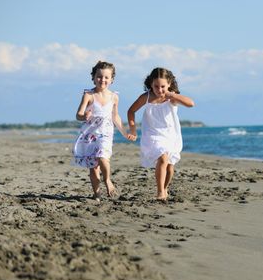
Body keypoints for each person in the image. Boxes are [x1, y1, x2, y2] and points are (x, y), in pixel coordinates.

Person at [127, 67, 194, 201]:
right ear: (151, 84)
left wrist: (173, 95)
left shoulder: (172, 98)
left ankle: (165, 188)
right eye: (156, 86)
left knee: (169, 166)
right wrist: (133, 129)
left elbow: (191, 104)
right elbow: (131, 111)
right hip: (152, 135)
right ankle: (160, 192)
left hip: (170, 134)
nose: (160, 90)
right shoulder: (146, 97)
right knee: (162, 158)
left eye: (163, 86)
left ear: (169, 84)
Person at [73, 61, 134, 200]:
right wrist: (84, 116)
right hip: (90, 134)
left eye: (107, 77)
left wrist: (125, 132)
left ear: (112, 79)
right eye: (99, 77)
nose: (103, 80)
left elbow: (115, 116)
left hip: (106, 133)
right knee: (93, 167)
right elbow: (78, 114)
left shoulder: (114, 97)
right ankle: (97, 194)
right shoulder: (88, 95)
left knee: (103, 156)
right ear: (93, 78)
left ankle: (107, 180)